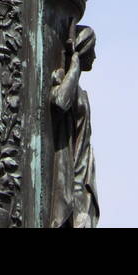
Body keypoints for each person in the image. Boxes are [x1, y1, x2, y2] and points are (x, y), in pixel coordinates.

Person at [50, 22, 99, 229]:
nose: (95, 56)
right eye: (93, 49)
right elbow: (60, 102)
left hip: (82, 176)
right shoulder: (65, 81)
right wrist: (75, 68)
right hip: (71, 182)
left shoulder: (82, 93)